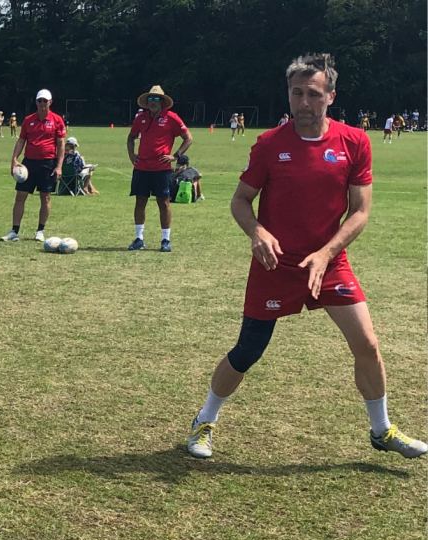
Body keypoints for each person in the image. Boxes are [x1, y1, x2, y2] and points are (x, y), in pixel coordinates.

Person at [186, 52, 426, 461]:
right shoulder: (269, 144)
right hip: (275, 265)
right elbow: (241, 200)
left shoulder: (355, 142)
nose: (303, 102)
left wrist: (326, 253)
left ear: (331, 96)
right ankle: (204, 420)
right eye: (297, 93)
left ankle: (381, 430)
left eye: (313, 94)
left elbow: (360, 211)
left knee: (367, 344)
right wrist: (257, 232)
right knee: (247, 351)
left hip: (329, 263)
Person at [125, 85, 192, 252]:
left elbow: (188, 138)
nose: (153, 102)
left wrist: (175, 156)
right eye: (150, 99)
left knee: (163, 202)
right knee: (140, 201)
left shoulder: (171, 118)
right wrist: (131, 154)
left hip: (161, 168)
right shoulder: (141, 118)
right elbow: (131, 137)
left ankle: (165, 239)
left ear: (162, 101)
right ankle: (139, 238)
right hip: (142, 167)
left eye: (156, 99)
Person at [2, 89, 66, 243]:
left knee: (45, 197)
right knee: (20, 196)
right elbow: (21, 141)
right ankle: (14, 231)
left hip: (48, 163)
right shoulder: (28, 120)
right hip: (29, 163)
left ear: (50, 102)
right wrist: (14, 160)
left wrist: (59, 166)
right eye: (39, 101)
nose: (42, 103)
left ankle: (40, 230)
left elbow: (61, 145)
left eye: (45, 101)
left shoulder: (57, 120)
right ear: (36, 102)